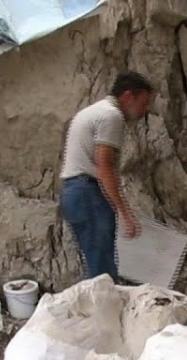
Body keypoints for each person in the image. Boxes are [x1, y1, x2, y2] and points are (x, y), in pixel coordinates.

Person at [59, 72, 154, 281]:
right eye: (144, 103)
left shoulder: (95, 111)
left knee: (97, 262)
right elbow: (104, 167)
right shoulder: (111, 116)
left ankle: (102, 307)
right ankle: (105, 311)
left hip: (73, 192)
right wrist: (125, 213)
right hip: (87, 193)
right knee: (102, 270)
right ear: (129, 96)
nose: (144, 110)